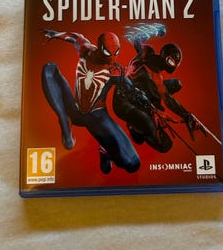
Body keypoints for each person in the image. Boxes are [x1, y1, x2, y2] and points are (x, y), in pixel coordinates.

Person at [41, 30, 140, 175]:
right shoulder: (86, 50)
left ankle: (105, 152)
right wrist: (54, 34)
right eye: (108, 52)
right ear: (100, 48)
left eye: (116, 53)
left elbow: (132, 92)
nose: (112, 57)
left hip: (97, 117)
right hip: (75, 110)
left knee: (133, 164)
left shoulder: (115, 71)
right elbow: (75, 36)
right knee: (49, 68)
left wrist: (138, 104)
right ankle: (64, 119)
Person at [113, 29, 202, 152]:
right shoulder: (151, 70)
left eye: (174, 63)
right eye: (170, 61)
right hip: (124, 100)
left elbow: (137, 39)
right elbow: (168, 100)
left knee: (175, 84)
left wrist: (186, 115)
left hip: (140, 92)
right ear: (164, 56)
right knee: (162, 143)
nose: (171, 65)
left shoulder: (149, 58)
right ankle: (135, 127)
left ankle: (144, 118)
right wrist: (186, 115)